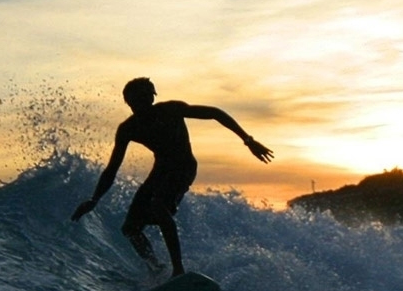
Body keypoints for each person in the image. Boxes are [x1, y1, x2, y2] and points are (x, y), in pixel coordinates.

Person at [72, 77, 273, 277]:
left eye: (146, 97)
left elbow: (214, 113)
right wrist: (95, 199)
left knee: (159, 206)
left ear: (152, 98)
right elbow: (112, 169)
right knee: (130, 228)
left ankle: (178, 269)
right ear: (129, 102)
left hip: (184, 166)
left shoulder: (170, 110)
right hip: (161, 170)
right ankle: (156, 267)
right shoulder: (128, 129)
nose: (142, 103)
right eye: (136, 100)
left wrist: (248, 140)